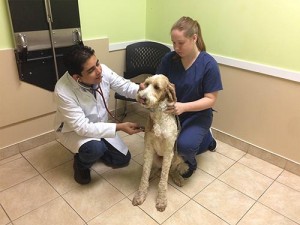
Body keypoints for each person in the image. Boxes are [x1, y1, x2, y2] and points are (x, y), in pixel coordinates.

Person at [54, 45, 143, 184]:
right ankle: (81, 164)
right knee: (95, 148)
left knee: (122, 160)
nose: (99, 71)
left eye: (97, 63)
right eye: (91, 70)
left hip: (100, 125)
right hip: (74, 131)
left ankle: (97, 149)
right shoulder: (63, 91)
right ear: (77, 77)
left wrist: (142, 91)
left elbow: (124, 86)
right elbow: (82, 127)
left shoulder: (102, 70)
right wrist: (119, 127)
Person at [156, 16, 223, 178]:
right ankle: (203, 138)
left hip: (197, 114)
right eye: (173, 42)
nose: (176, 47)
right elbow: (158, 82)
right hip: (172, 112)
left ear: (194, 38)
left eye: (181, 43)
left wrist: (184, 107)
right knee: (164, 146)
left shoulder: (208, 64)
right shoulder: (169, 59)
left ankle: (194, 157)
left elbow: (211, 99)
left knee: (183, 147)